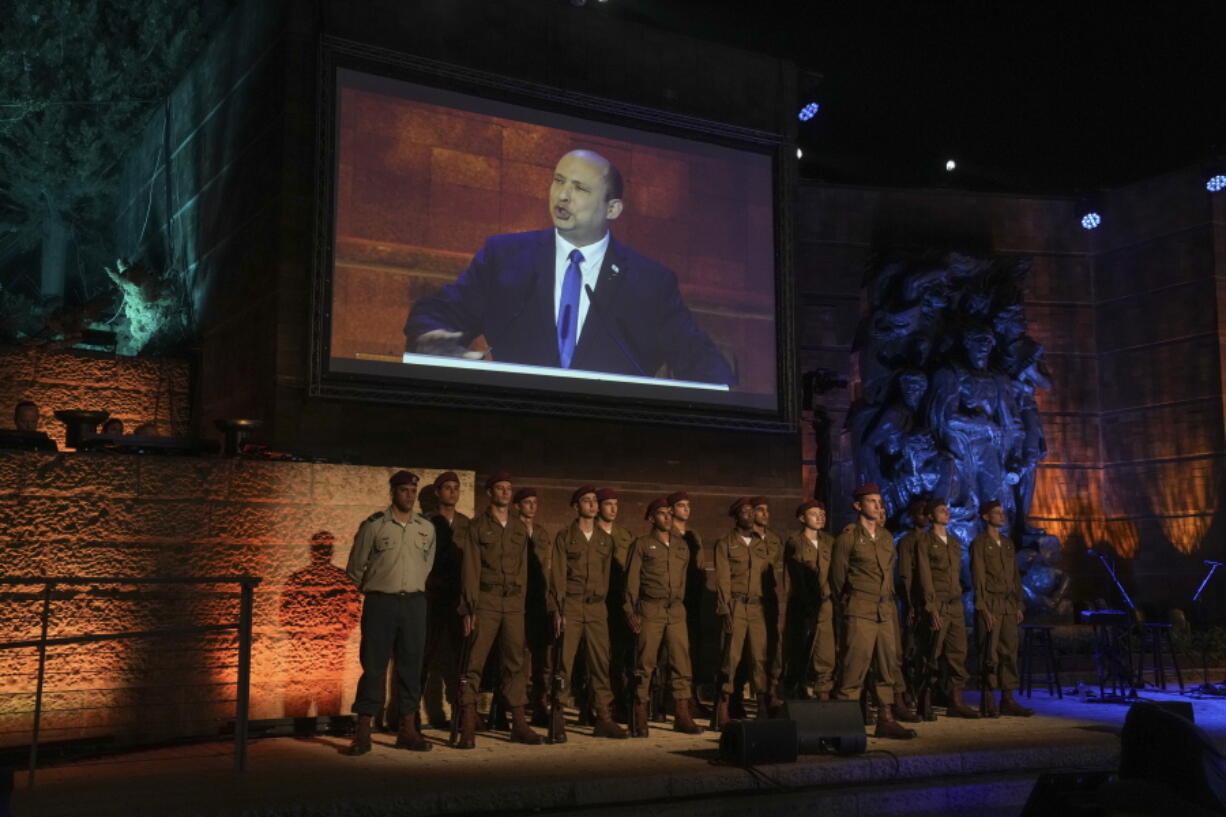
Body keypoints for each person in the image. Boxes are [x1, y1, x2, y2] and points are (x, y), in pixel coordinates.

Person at [404, 150, 736, 385]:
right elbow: (437, 312)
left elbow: (699, 360)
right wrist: (433, 340)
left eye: (579, 188)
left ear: (613, 208)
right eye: (558, 181)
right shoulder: (505, 257)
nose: (562, 195)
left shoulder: (650, 282)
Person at [343, 470, 436, 755]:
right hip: (381, 603)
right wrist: (376, 588)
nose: (409, 495)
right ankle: (363, 730)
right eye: (404, 490)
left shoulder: (425, 528)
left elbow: (427, 564)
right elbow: (355, 568)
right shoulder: (374, 525)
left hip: (414, 604)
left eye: (412, 490)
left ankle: (407, 728)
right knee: (373, 666)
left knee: (411, 666)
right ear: (393, 492)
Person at [455, 471, 543, 748]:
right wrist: (469, 607)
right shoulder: (478, 526)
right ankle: (468, 726)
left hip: (513, 603)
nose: (505, 492)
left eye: (508, 488)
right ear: (490, 493)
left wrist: (523, 603)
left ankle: (518, 724)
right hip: (486, 601)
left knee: (515, 663)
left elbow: (525, 570)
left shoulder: (519, 528)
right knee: (474, 663)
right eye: (500, 488)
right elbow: (471, 567)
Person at [829, 483, 915, 739]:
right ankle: (846, 724)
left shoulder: (887, 537)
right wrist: (850, 605)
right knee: (854, 666)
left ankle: (885, 718)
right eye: (872, 501)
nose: (879, 506)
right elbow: (837, 580)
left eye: (880, 502)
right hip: (860, 608)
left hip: (885, 610)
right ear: (858, 506)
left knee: (887, 665)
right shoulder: (848, 537)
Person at [553, 486, 628, 738]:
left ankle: (603, 717)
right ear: (576, 506)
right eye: (587, 501)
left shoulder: (605, 540)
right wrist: (559, 609)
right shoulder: (565, 537)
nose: (593, 505)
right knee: (564, 662)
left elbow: (607, 575)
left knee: (600, 663)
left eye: (595, 501)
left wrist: (602, 602)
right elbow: (558, 576)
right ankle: (558, 714)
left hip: (596, 607)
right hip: (572, 606)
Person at [623, 497, 702, 735]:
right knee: (645, 663)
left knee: (681, 663)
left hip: (675, 610)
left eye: (669, 512)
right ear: (651, 518)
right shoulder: (642, 544)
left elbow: (685, 580)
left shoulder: (681, 545)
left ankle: (681, 713)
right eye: (661, 513)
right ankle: (639, 714)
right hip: (650, 609)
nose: (667, 517)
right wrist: (630, 609)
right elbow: (631, 580)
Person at [915, 498, 979, 719]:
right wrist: (931, 606)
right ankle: (925, 698)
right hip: (938, 603)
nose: (946, 513)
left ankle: (956, 700)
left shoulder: (952, 542)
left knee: (957, 652)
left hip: (955, 604)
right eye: (941, 510)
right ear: (931, 516)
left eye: (947, 510)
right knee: (932, 652)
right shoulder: (924, 541)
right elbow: (924, 575)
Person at [712, 497, 772, 727]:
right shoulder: (726, 543)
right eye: (745, 512)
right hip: (736, 605)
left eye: (751, 511)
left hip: (757, 606)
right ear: (737, 516)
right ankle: (723, 708)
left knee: (760, 658)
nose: (750, 515)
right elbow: (723, 579)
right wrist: (724, 609)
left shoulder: (761, 542)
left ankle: (762, 707)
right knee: (730, 658)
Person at [970, 500, 1034, 717]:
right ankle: (988, 696)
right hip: (991, 603)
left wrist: (1018, 603)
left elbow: (1015, 577)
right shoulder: (979, 543)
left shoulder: (1007, 544)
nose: (1001, 516)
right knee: (989, 652)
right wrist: (983, 607)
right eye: (996, 513)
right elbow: (978, 577)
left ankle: (1008, 698)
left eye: (1001, 512)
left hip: (1007, 604)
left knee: (1009, 651)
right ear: (986, 517)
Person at [421, 471, 469, 730]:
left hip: (457, 600)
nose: (452, 492)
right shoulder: (424, 522)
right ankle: (410, 716)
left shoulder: (466, 524)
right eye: (447, 488)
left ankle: (460, 712)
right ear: (438, 492)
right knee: (423, 656)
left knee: (458, 659)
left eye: (456, 488)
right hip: (431, 598)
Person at [784, 500, 836, 700]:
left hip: (826, 604)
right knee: (799, 650)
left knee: (826, 651)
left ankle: (823, 693)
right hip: (803, 605)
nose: (820, 517)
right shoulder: (795, 542)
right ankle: (794, 690)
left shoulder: (829, 542)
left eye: (822, 513)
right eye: (814, 513)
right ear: (802, 518)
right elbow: (796, 576)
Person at [515, 487, 555, 727]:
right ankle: (509, 706)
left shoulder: (540, 533)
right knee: (515, 658)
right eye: (527, 502)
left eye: (534, 503)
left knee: (542, 658)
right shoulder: (511, 530)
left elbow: (546, 569)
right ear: (517, 506)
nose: (532, 506)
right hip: (517, 601)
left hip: (539, 602)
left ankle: (540, 704)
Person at [668, 490, 709, 718]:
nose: (686, 509)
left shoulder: (694, 535)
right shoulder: (668, 534)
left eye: (688, 505)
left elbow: (700, 567)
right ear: (672, 509)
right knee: (673, 652)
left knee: (693, 649)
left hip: (692, 600)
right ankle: (673, 700)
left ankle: (691, 697)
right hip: (674, 600)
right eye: (682, 505)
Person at [598, 487, 636, 723]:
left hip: (618, 601)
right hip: (596, 601)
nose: (613, 508)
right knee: (596, 656)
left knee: (619, 655)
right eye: (608, 504)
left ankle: (619, 703)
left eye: (615, 504)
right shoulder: (590, 533)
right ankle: (593, 705)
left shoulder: (625, 536)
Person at [750, 496, 787, 714]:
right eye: (760, 510)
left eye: (767, 510)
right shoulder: (746, 539)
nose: (765, 514)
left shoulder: (774, 539)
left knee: (775, 648)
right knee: (757, 654)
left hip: (769, 599)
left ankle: (773, 692)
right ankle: (760, 698)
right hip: (752, 600)